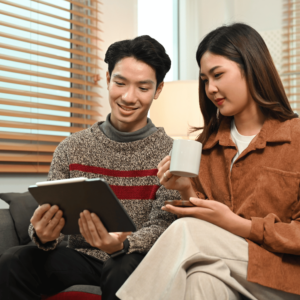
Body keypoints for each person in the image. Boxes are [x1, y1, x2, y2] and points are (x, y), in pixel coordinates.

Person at [116, 23, 300, 300]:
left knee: (187, 230)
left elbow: (206, 231)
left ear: (251, 68)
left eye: (218, 75)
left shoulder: (296, 138)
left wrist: (241, 226)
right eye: (204, 79)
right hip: (224, 267)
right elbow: (208, 224)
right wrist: (186, 189)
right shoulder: (207, 145)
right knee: (201, 278)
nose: (211, 88)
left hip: (284, 275)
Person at [0, 35, 180, 300]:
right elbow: (47, 214)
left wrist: (123, 244)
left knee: (121, 266)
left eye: (143, 87)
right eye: (120, 83)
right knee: (14, 260)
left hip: (135, 260)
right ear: (107, 79)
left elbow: (164, 225)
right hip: (81, 259)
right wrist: (42, 234)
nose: (128, 97)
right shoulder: (71, 148)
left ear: (158, 90)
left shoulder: (171, 154)